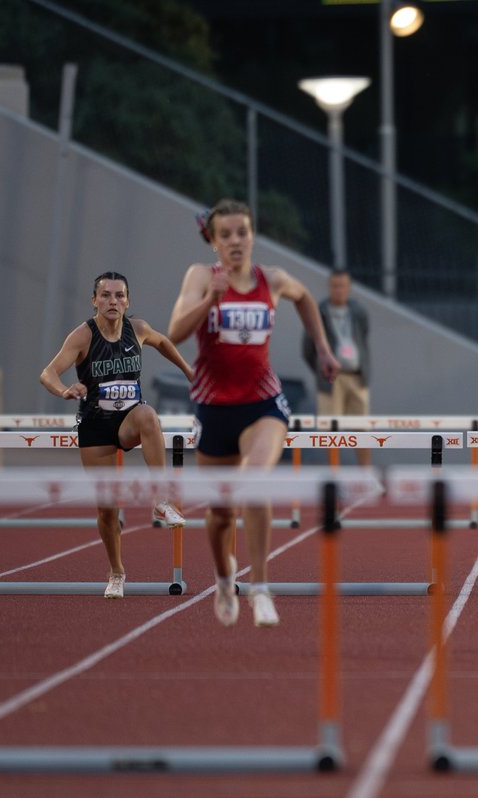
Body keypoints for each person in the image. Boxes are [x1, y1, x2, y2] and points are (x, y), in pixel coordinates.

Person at [168, 199, 340, 627]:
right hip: (213, 407)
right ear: (213, 241)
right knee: (221, 513)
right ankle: (225, 578)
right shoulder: (199, 276)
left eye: (242, 232)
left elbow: (305, 298)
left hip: (263, 403)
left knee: (256, 480)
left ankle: (261, 588)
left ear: (252, 235)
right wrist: (210, 300)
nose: (236, 241)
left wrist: (322, 348)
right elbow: (175, 331)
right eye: (225, 234)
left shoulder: (272, 279)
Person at [40, 271, 194, 599]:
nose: (113, 301)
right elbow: (47, 373)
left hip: (128, 419)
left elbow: (163, 343)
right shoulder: (83, 336)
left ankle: (160, 499)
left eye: (119, 295)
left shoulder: (137, 329)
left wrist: (189, 371)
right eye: (106, 295)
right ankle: (116, 572)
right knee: (108, 509)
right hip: (96, 426)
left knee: (149, 416)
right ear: (94, 300)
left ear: (127, 301)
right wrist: (64, 389)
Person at [302, 270, 371, 466]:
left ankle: (366, 473)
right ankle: (334, 473)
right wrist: (321, 370)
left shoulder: (358, 312)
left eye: (342, 286)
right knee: (331, 430)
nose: (339, 290)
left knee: (362, 427)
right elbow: (308, 348)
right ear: (329, 287)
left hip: (356, 376)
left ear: (349, 288)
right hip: (330, 379)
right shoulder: (320, 311)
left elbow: (363, 337)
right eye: (335, 286)